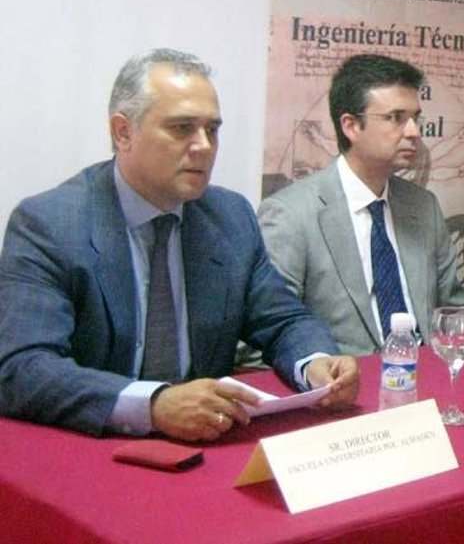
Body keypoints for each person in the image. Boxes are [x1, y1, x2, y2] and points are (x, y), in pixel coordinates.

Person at [0, 49, 359, 441]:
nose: (203, 145)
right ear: (123, 132)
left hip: (206, 443)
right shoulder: (50, 224)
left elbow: (282, 320)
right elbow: (22, 366)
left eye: (212, 130)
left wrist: (316, 364)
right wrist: (153, 405)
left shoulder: (229, 217)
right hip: (93, 445)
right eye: (182, 128)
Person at [258, 54, 464, 352]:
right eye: (396, 118)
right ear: (351, 126)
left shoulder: (423, 206)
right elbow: (267, 334)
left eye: (416, 118)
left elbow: (455, 309)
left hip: (427, 368)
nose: (414, 132)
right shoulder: (291, 214)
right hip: (344, 375)